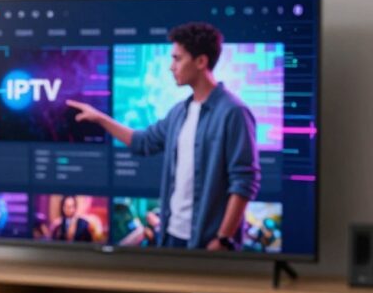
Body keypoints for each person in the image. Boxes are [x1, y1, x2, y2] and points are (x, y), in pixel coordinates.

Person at [67, 22, 260, 250]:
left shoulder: (234, 113)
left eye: (177, 59)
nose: (171, 66)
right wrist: (100, 118)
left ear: (201, 61)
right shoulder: (179, 112)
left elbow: (245, 182)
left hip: (208, 242)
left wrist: (223, 239)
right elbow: (143, 142)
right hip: (171, 238)